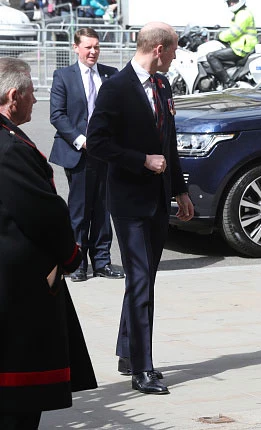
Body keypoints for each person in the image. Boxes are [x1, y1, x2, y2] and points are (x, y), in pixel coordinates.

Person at [87, 22, 194, 395]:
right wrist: (140, 160)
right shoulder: (116, 88)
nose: (177, 56)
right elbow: (98, 143)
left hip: (159, 198)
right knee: (139, 280)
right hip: (129, 201)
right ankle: (143, 369)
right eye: (175, 50)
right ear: (159, 49)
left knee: (143, 279)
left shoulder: (163, 86)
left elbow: (169, 143)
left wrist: (180, 191)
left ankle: (126, 352)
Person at [0, 57, 97, 428]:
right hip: (18, 285)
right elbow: (44, 214)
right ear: (13, 97)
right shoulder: (9, 149)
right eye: (30, 95)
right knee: (19, 397)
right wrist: (70, 257)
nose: (35, 102)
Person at [49, 27, 124, 283]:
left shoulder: (110, 75)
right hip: (78, 152)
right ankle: (77, 263)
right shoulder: (63, 76)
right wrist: (82, 141)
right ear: (76, 47)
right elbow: (57, 115)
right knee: (80, 210)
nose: (93, 52)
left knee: (103, 209)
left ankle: (102, 261)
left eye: (96, 47)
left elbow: (117, 113)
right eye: (88, 47)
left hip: (104, 153)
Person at [206, 0, 257, 89]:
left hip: (241, 48)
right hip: (242, 46)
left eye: (233, 2)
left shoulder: (243, 14)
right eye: (229, 2)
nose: (231, 4)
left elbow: (235, 32)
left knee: (211, 56)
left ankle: (229, 83)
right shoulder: (242, 13)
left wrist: (220, 36)